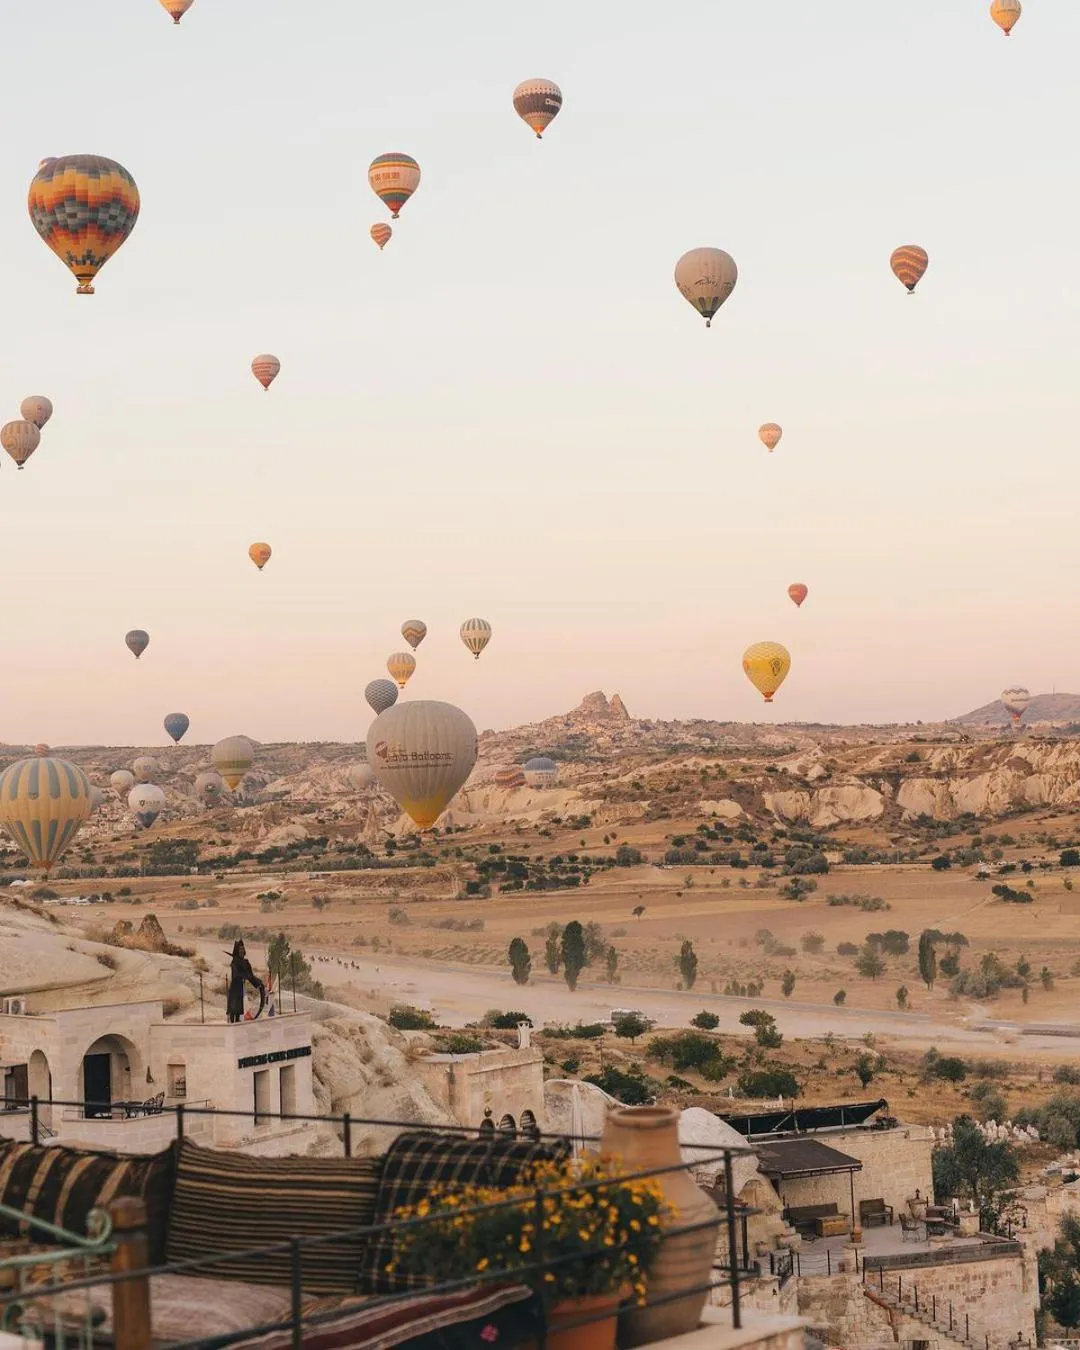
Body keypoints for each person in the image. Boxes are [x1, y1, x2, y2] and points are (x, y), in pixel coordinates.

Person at [226, 938, 265, 1023]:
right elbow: (238, 974)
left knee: (239, 1011)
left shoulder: (246, 962)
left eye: (243, 949)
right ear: (236, 950)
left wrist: (258, 983)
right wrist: (247, 976)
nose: (242, 951)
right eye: (240, 949)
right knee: (234, 1009)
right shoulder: (234, 962)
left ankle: (237, 1021)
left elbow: (250, 976)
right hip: (234, 988)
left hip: (240, 988)